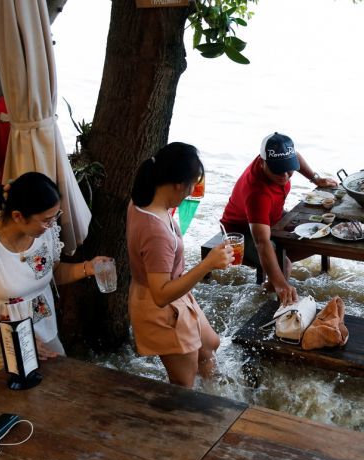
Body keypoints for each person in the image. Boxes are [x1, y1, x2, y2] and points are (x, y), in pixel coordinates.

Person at [0, 172, 111, 382]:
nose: (52, 225)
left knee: (60, 392)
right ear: (18, 216)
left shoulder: (44, 233)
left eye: (55, 217)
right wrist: (18, 339)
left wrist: (88, 268)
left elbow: (49, 273)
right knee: (4, 407)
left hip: (43, 330)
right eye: (46, 220)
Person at [127, 142, 233, 388]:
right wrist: (207, 264)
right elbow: (160, 295)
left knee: (210, 345)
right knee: (183, 385)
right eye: (193, 183)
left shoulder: (141, 199)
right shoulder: (156, 232)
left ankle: (213, 400)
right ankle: (185, 421)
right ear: (177, 184)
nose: (193, 190)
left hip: (175, 295)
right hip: (161, 309)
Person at [220, 132, 337, 306]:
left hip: (272, 217)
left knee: (319, 235)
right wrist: (281, 283)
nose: (285, 175)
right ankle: (265, 299)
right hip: (241, 231)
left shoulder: (278, 158)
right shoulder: (257, 193)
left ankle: (272, 277)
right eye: (278, 169)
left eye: (288, 167)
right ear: (262, 162)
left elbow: (295, 156)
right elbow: (262, 242)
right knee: (285, 266)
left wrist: (316, 179)